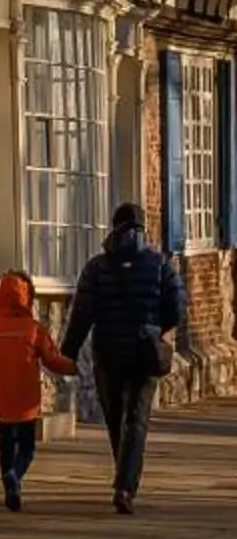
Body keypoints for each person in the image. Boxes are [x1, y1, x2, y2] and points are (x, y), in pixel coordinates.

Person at [63, 202, 192, 514]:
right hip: (144, 352)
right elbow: (177, 308)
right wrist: (156, 328)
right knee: (136, 419)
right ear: (142, 229)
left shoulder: (97, 268)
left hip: (107, 353)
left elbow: (82, 313)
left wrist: (67, 352)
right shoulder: (160, 265)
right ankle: (125, 486)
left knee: (115, 417)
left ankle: (123, 475)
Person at [0, 270, 75, 510]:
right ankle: (16, 474)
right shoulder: (34, 329)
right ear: (28, 297)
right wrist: (74, 367)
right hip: (25, 398)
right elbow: (52, 359)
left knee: (5, 441)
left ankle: (9, 480)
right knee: (27, 447)